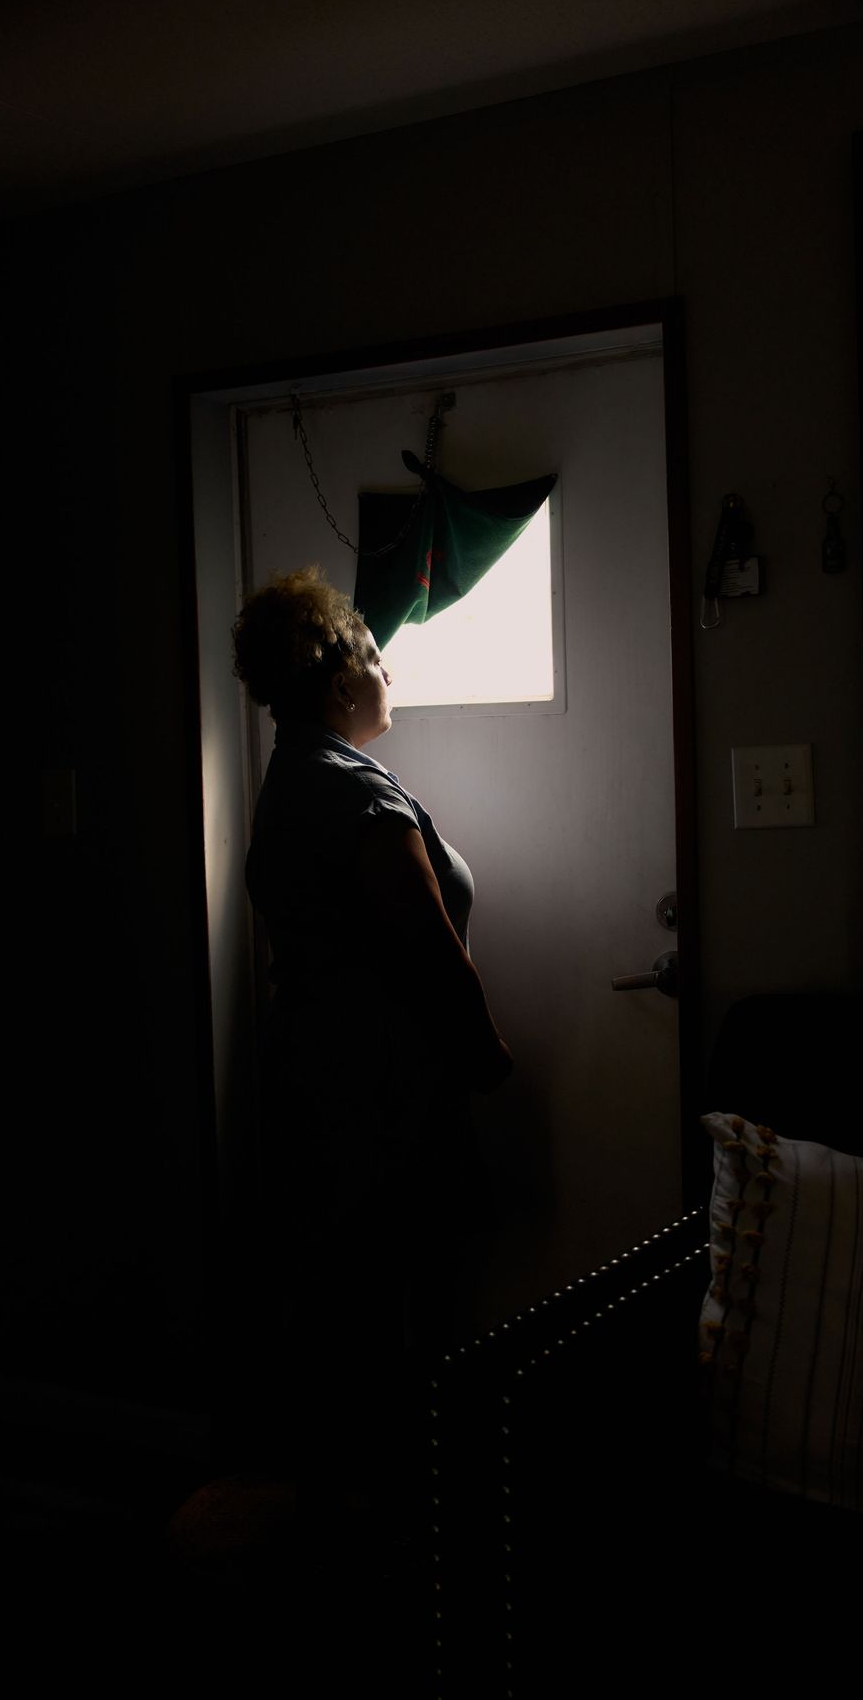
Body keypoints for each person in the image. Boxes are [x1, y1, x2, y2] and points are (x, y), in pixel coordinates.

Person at [231, 566, 511, 1542]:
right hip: (387, 1103)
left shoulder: (293, 778)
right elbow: (432, 951)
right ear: (343, 677)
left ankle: (356, 1524)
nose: (391, 675)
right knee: (410, 1321)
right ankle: (421, 1539)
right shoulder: (351, 790)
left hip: (323, 1092)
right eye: (379, 659)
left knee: (345, 1316)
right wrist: (490, 1056)